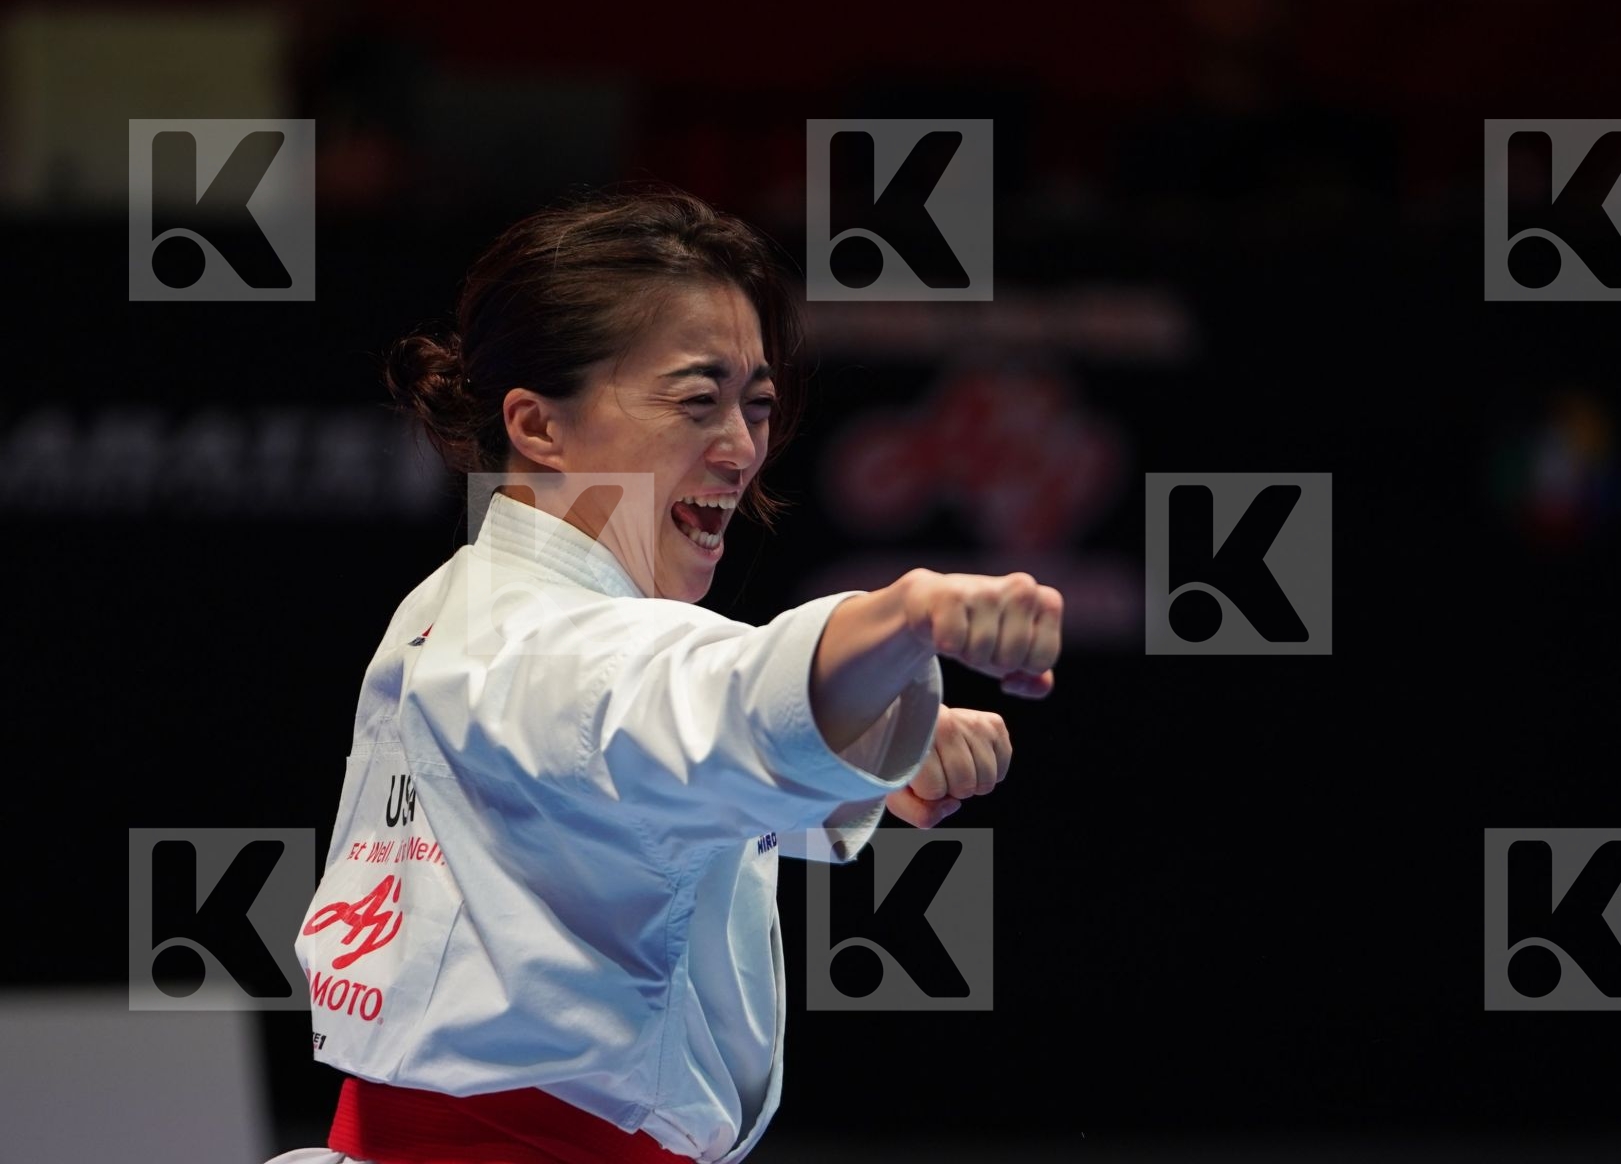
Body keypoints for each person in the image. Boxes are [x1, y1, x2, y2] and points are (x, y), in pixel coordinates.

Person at [266, 188, 1063, 1164]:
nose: (742, 448)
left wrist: (861, 747)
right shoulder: (544, 646)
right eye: (698, 399)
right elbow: (693, 697)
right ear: (538, 426)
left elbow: (615, 795)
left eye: (757, 405)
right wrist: (904, 617)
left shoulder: (461, 608)